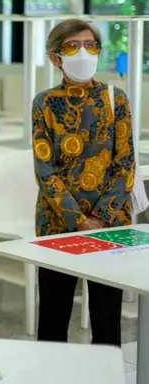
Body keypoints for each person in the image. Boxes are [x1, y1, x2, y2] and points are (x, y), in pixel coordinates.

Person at [32, 18, 133, 346]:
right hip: (57, 223)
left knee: (107, 323)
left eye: (91, 45)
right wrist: (77, 220)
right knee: (53, 319)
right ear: (55, 56)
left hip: (109, 225)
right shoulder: (45, 103)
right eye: (73, 45)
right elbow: (44, 169)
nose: (84, 52)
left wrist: (100, 218)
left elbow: (126, 164)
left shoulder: (115, 99)